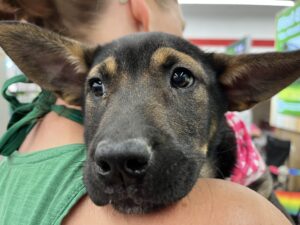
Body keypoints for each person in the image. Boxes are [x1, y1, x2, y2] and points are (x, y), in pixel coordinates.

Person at [0, 0, 292, 225]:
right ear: (142, 9)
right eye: (98, 86)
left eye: (181, 78)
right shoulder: (238, 214)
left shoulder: (14, 159)